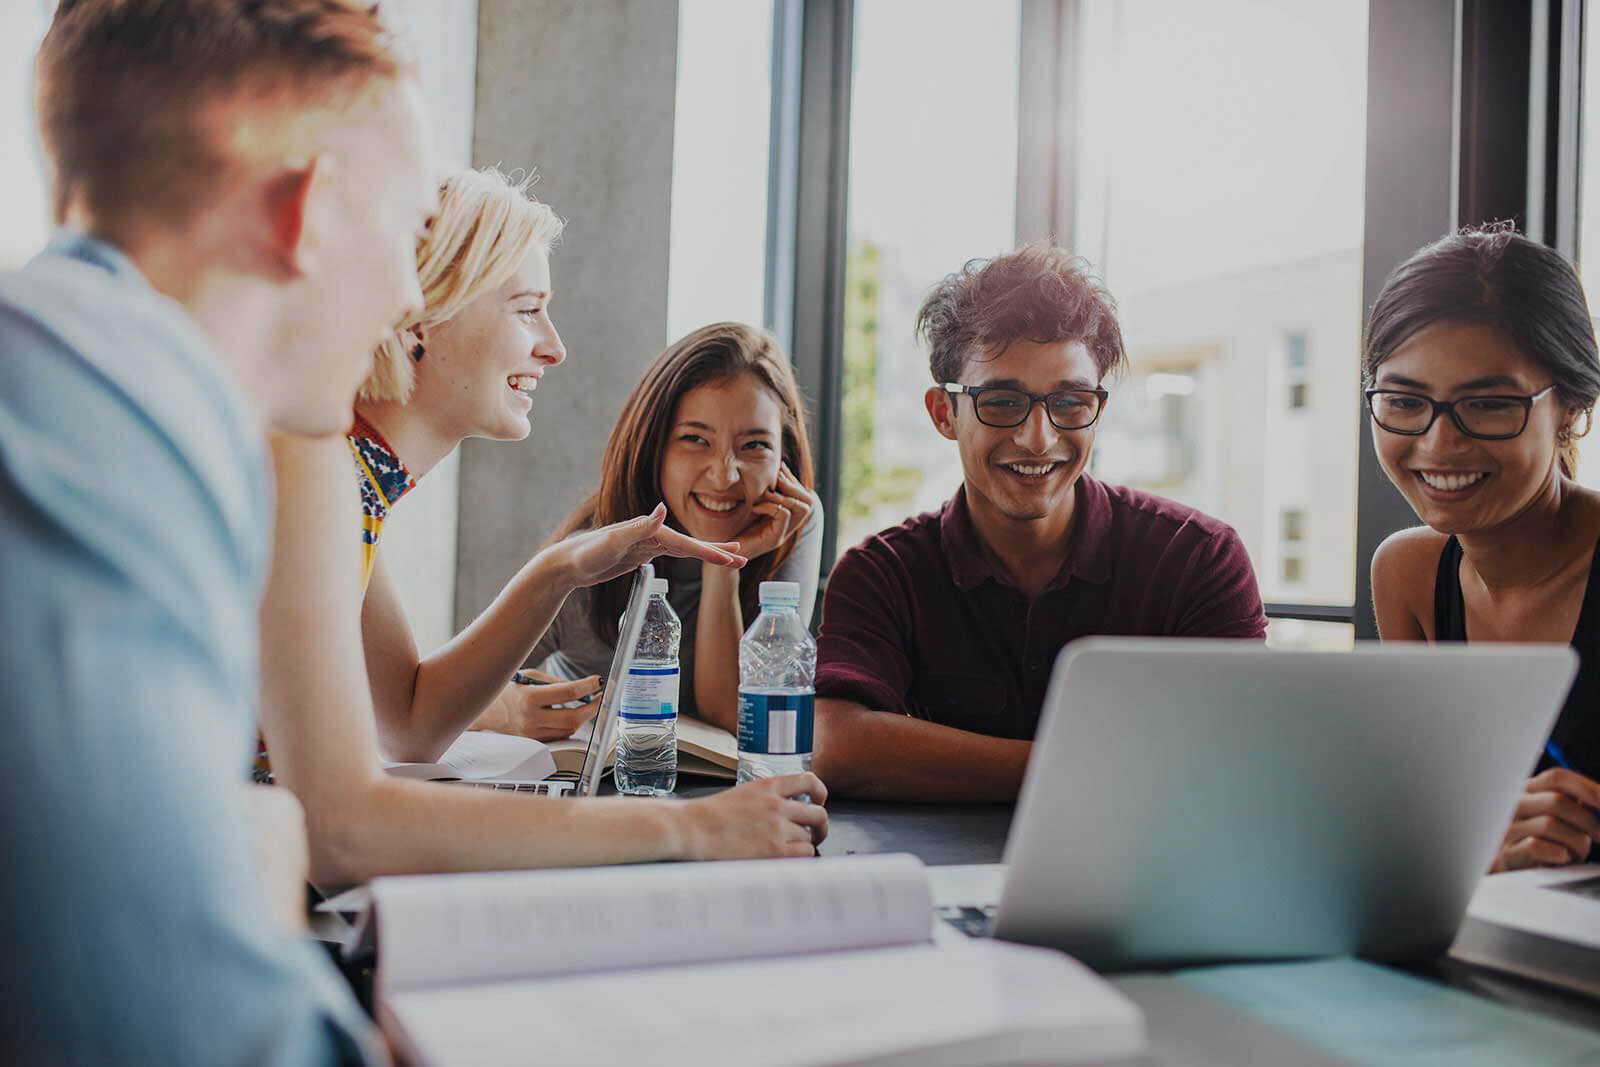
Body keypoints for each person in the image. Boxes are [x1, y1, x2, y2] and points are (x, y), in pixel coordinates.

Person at [0, 1, 438, 1062]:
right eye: (407, 229)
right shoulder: (98, 429)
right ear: (310, 212)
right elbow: (174, 1027)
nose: (411, 293)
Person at [260, 170, 827, 890]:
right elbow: (345, 828)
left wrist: (559, 568)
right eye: (527, 309)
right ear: (417, 316)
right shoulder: (314, 474)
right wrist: (693, 826)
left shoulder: (353, 486)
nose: (554, 348)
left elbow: (408, 722)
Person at [811, 245, 1267, 802]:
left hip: (1139, 881)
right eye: (1002, 402)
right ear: (942, 413)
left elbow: (1232, 758)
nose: (1038, 438)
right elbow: (838, 745)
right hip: (936, 880)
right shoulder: (882, 573)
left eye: (1070, 402)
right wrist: (1105, 772)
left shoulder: (1198, 558)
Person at [1366, 224, 1600, 872]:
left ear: (1573, 408)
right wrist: (1479, 845)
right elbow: (1429, 815)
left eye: (1491, 404)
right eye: (1405, 401)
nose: (1439, 445)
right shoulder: (1408, 572)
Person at [522, 321, 822, 735]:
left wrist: (721, 564)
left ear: (783, 457)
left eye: (754, 446)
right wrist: (507, 710)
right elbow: (464, 693)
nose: (724, 476)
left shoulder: (792, 520)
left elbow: (737, 716)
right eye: (696, 439)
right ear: (653, 447)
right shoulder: (588, 554)